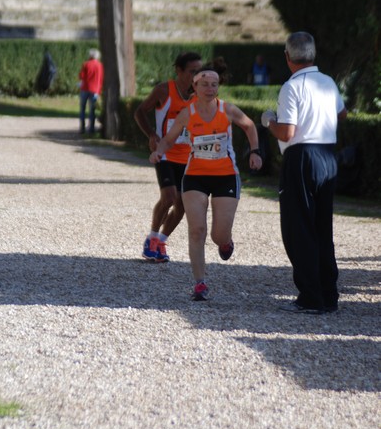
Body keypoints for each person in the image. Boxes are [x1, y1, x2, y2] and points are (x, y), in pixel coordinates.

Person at [150, 64, 262, 300]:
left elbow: (249, 125)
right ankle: (199, 283)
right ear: (195, 86)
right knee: (196, 230)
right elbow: (169, 139)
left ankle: (225, 242)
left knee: (217, 235)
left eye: (214, 85)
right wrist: (159, 151)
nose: (210, 89)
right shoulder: (187, 113)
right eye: (205, 84)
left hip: (226, 176)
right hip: (195, 177)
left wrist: (255, 151)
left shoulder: (227, 109)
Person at [261, 31, 347, 314]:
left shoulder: (291, 86)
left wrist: (268, 121)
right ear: (313, 55)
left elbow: (287, 131)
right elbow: (342, 113)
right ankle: (328, 293)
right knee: (323, 227)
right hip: (327, 154)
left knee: (298, 228)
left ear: (288, 58)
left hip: (301, 157)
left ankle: (310, 296)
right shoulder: (328, 82)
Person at [134, 51, 203, 263]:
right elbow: (140, 112)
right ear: (179, 70)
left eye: (199, 71)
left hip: (187, 156)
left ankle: (162, 241)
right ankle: (152, 237)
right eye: (192, 71)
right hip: (164, 153)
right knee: (169, 197)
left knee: (182, 205)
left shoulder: (200, 94)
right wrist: (152, 135)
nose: (196, 76)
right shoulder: (164, 90)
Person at [78, 48, 104, 134]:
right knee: (92, 110)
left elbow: (81, 76)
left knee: (82, 109)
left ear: (90, 55)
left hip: (85, 88)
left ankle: (82, 128)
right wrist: (99, 90)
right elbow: (101, 79)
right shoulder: (100, 65)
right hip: (95, 90)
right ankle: (91, 129)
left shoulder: (86, 64)